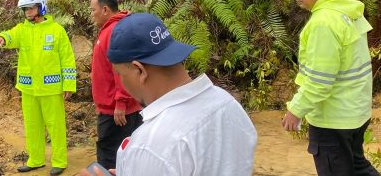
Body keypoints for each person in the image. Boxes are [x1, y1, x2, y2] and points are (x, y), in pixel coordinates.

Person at [78, 12, 257, 176]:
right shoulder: (227, 103)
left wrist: (141, 164)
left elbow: (160, 156)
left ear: (139, 70)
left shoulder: (151, 144)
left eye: (120, 74)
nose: (122, 83)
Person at [281, 0, 380, 176]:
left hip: (333, 119)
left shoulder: (322, 23)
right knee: (357, 168)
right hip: (354, 113)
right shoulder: (346, 12)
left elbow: (320, 80)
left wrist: (296, 110)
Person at [0, 0, 76, 175]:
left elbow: (67, 59)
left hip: (51, 88)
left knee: (56, 127)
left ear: (41, 7)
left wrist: (68, 84)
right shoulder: (23, 30)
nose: (28, 12)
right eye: (25, 9)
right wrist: (1, 38)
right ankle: (35, 159)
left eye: (31, 8)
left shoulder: (56, 31)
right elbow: (10, 35)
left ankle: (59, 161)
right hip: (28, 88)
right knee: (32, 126)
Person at [88, 0, 142, 169]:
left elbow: (122, 69)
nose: (91, 14)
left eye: (93, 10)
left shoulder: (113, 31)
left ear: (105, 10)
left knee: (109, 155)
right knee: (126, 151)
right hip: (118, 106)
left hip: (117, 111)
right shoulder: (115, 28)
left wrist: (121, 102)